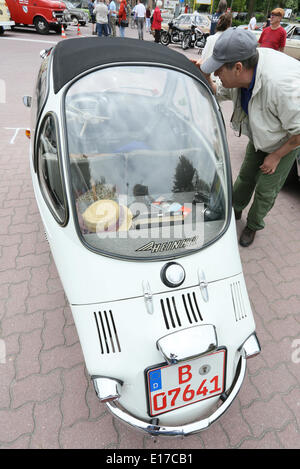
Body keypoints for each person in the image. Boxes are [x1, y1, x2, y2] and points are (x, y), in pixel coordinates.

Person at [192, 28, 300, 247]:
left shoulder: (281, 87)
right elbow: (216, 91)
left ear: (238, 67)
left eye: (219, 70)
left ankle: (253, 225)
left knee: (266, 190)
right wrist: (205, 75)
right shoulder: (242, 76)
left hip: (286, 141)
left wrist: (277, 156)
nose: (218, 74)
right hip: (262, 134)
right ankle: (235, 211)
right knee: (245, 177)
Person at [201, 12, 232, 78]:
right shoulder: (229, 41)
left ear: (218, 23)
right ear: (229, 25)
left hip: (207, 75)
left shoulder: (210, 39)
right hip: (220, 79)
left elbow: (203, 57)